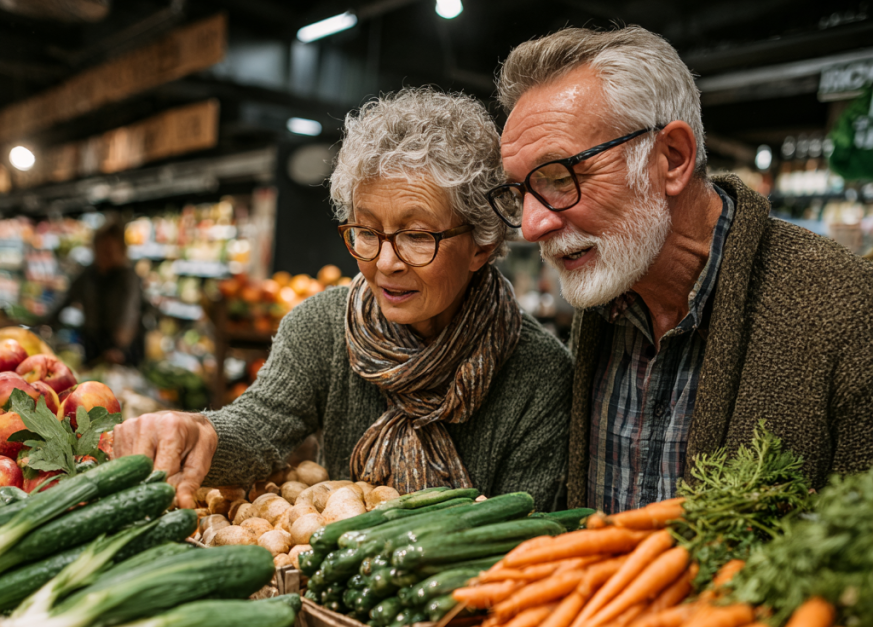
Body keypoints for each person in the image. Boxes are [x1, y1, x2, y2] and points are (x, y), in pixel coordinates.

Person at [114, 88, 573, 510]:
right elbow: (259, 426)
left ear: (483, 244)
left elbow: (525, 533)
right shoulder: (323, 326)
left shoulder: (538, 374)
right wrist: (199, 432)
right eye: (366, 232)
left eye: (416, 236)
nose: (386, 262)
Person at [488, 26, 873, 513]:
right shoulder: (610, 299)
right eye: (519, 191)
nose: (531, 224)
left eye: (560, 178)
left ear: (672, 158)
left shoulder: (846, 311)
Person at [51, 219, 144, 366]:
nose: (104, 256)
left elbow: (129, 313)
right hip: (92, 341)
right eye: (100, 250)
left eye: (109, 251)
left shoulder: (128, 277)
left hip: (121, 348)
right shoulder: (88, 274)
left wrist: (118, 347)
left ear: (121, 250)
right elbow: (67, 299)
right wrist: (46, 323)